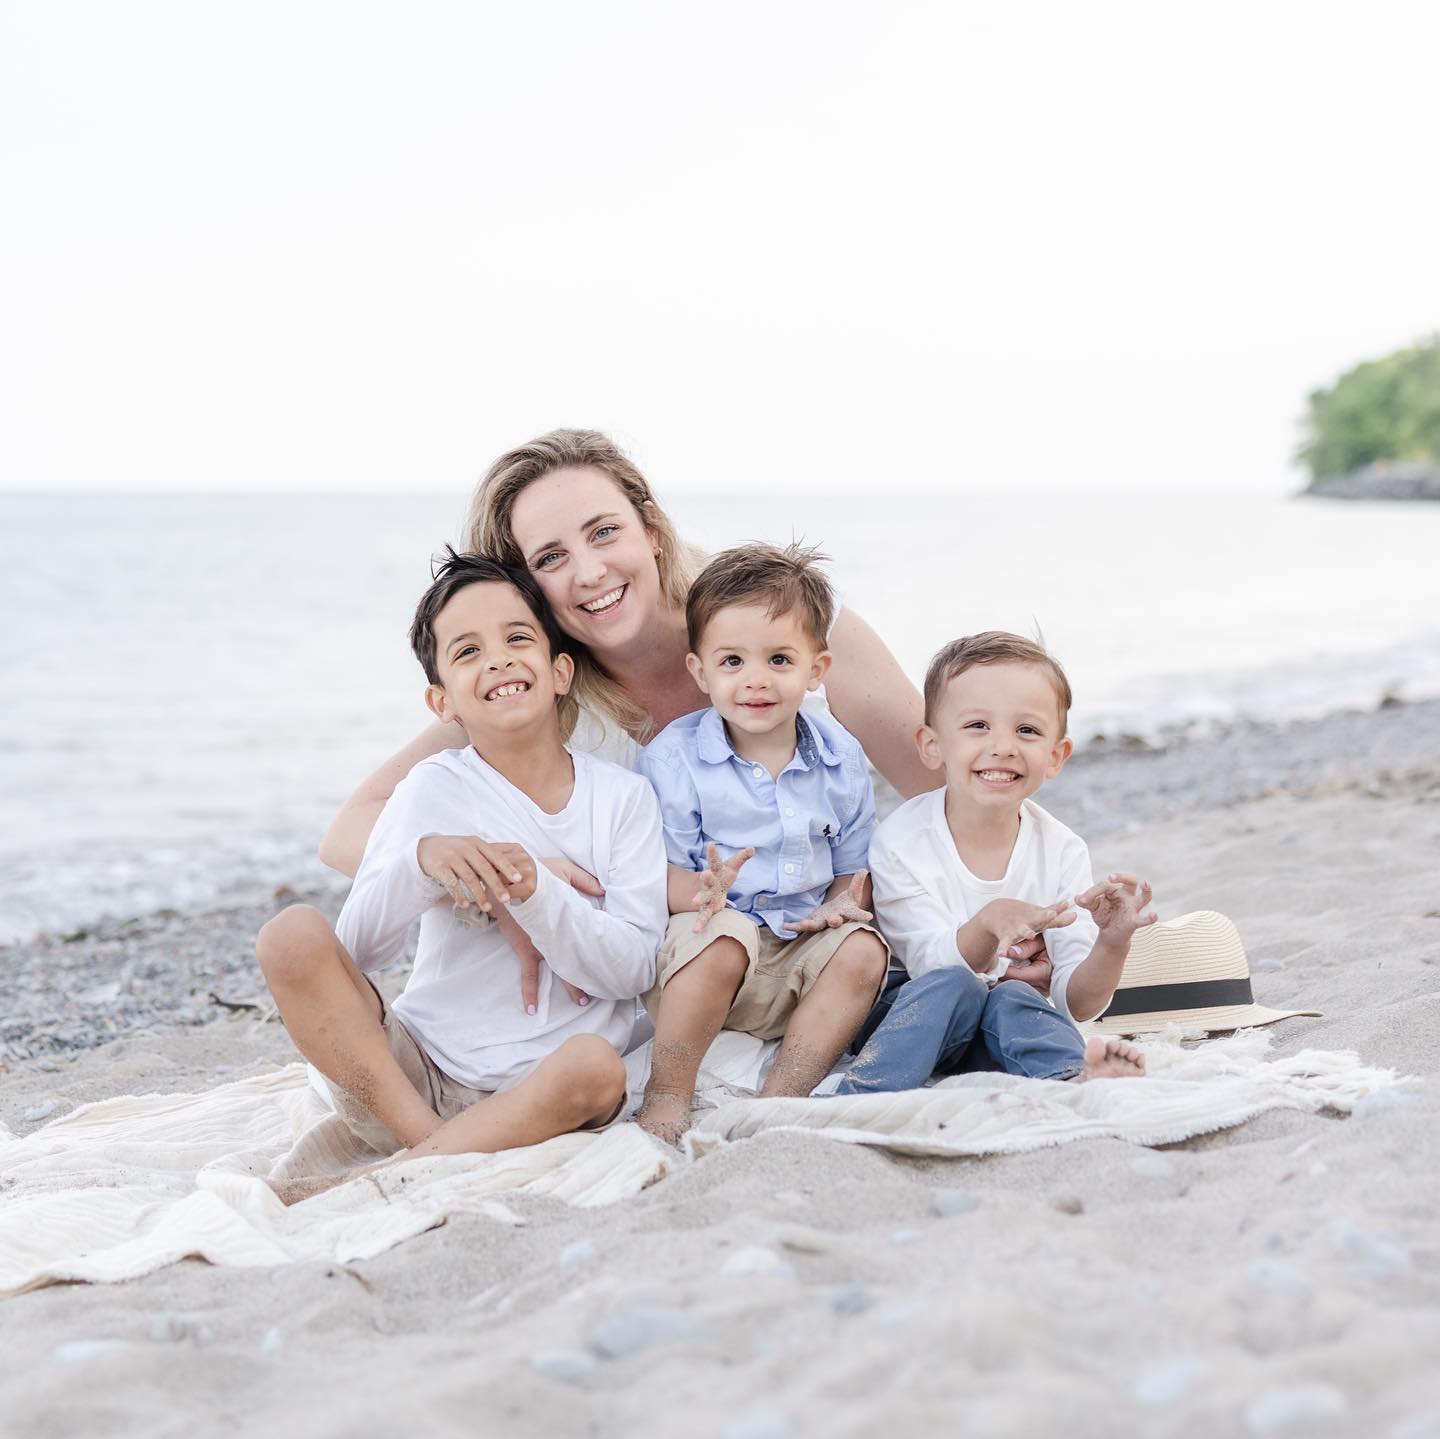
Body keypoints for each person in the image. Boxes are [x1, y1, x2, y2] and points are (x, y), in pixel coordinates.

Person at [318, 429, 1054, 994]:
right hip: (677, 976)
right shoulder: (534, 690)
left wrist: (1018, 923)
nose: (590, 571)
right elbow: (351, 831)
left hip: (824, 943)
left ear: (650, 525)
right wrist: (512, 873)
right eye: (550, 558)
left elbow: (951, 789)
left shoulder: (781, 623)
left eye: (604, 532)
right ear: (525, 589)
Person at [255, 551, 666, 1200]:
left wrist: (534, 890)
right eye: (468, 650)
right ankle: (428, 1148)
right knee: (289, 935)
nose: (498, 659)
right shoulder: (431, 788)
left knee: (597, 1067)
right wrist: (423, 865)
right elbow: (357, 949)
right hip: (415, 1080)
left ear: (561, 671)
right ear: (441, 699)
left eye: (518, 638)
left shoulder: (623, 799)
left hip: (547, 1090)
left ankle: (402, 1170)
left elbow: (633, 969)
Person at [631, 543, 890, 1143]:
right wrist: (700, 891)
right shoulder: (675, 759)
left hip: (799, 950)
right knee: (725, 936)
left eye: (779, 659)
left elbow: (852, 865)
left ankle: (782, 1096)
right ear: (700, 672)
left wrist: (841, 905)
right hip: (705, 949)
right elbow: (649, 875)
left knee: (864, 950)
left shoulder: (839, 757)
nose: (756, 680)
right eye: (732, 662)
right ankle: (668, 1093)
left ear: (816, 669)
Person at [837, 632, 1151, 1097]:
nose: (1003, 746)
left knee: (1018, 998)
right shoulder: (901, 840)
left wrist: (1111, 943)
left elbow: (1076, 1002)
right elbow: (928, 965)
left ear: (1056, 756)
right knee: (956, 987)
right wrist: (988, 923)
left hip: (994, 1035)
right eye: (977, 726)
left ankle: (1070, 1078)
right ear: (931, 745)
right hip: (908, 1016)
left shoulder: (1062, 848)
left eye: (1027, 730)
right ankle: (866, 1091)